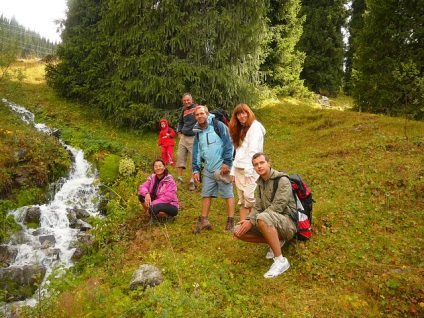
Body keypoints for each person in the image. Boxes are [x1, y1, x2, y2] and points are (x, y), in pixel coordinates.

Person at [233, 153, 296, 278]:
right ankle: (277, 241)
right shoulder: (261, 183)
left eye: (262, 163)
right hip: (271, 221)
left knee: (262, 218)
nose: (259, 166)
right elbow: (258, 207)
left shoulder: (282, 180)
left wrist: (253, 221)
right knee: (238, 230)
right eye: (256, 164)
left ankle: (280, 261)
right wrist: (248, 220)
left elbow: (278, 206)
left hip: (288, 223)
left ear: (269, 163)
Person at [191, 106, 235, 233]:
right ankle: (204, 220)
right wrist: (196, 169)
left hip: (222, 167)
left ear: (207, 114)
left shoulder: (218, 125)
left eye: (202, 113)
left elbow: (229, 143)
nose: (200, 116)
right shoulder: (198, 131)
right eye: (197, 114)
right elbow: (197, 151)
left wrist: (227, 162)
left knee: (227, 194)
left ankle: (231, 221)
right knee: (206, 194)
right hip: (209, 169)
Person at [229, 103, 266, 220]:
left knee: (249, 198)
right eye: (239, 114)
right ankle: (243, 226)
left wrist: (250, 171)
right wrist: (233, 171)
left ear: (249, 113)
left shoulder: (255, 127)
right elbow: (238, 152)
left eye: (244, 113)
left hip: (250, 168)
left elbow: (253, 150)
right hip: (239, 167)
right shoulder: (241, 129)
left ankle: (258, 222)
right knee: (242, 199)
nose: (242, 116)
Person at [138, 159, 179, 224]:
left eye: (160, 166)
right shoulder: (152, 178)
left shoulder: (170, 180)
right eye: (156, 166)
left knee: (154, 207)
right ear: (154, 169)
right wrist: (147, 194)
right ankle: (153, 214)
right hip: (157, 201)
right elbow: (142, 187)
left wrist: (152, 204)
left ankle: (168, 216)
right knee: (141, 197)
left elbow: (168, 198)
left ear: (164, 167)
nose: (158, 168)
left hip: (171, 205)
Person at [176, 93, 197, 191]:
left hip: (194, 137)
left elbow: (204, 120)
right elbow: (180, 122)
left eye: (188, 100)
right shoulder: (184, 110)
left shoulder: (197, 108)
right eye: (184, 100)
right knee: (180, 157)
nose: (186, 102)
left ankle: (192, 181)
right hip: (184, 137)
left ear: (191, 100)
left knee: (193, 160)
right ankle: (179, 179)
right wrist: (179, 132)